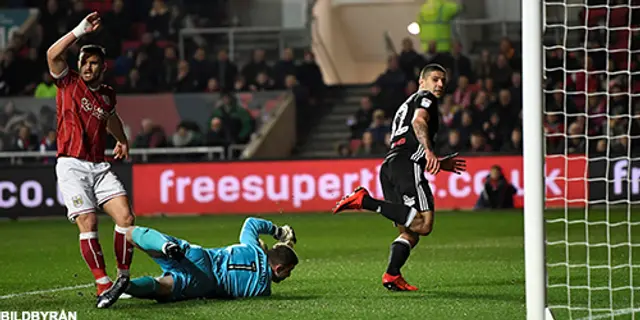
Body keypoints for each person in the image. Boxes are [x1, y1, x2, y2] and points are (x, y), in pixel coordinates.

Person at [332, 64, 466, 291]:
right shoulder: (426, 98)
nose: (440, 84)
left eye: (443, 80)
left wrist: (439, 163)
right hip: (406, 164)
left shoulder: (405, 104)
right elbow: (418, 122)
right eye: (435, 79)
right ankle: (365, 201)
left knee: (410, 232)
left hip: (390, 165)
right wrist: (430, 151)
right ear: (422, 82)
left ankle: (392, 275)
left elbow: (406, 140)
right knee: (424, 225)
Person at [46, 12, 135, 308]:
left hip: (99, 166)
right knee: (88, 220)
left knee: (126, 217)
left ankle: (122, 279)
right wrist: (79, 31)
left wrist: (121, 140)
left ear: (103, 67)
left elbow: (111, 118)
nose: (87, 66)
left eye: (94, 62)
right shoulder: (68, 82)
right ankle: (102, 284)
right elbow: (52, 54)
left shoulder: (108, 95)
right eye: (85, 61)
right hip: (71, 163)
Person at [117, 217, 298, 303]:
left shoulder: (252, 247)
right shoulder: (262, 290)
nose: (288, 276)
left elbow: (251, 222)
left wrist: (279, 232)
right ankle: (126, 286)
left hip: (200, 256)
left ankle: (164, 246)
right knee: (162, 286)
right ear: (279, 268)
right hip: (205, 282)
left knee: (132, 233)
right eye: (288, 271)